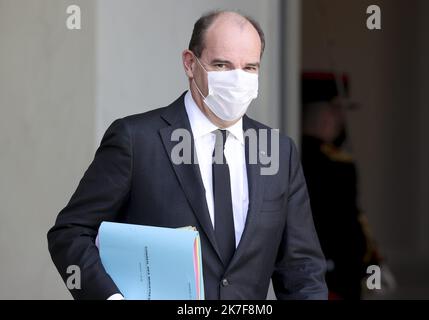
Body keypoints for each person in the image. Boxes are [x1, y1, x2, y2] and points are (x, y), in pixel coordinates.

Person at [47, 11, 327, 300]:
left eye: (250, 68)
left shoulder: (278, 150)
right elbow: (70, 233)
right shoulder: (136, 140)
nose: (237, 79)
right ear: (190, 64)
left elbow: (301, 268)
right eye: (222, 64)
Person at [301, 72, 381, 300]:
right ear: (328, 114)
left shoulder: (289, 155)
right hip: (334, 280)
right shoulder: (336, 164)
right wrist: (370, 267)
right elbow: (350, 228)